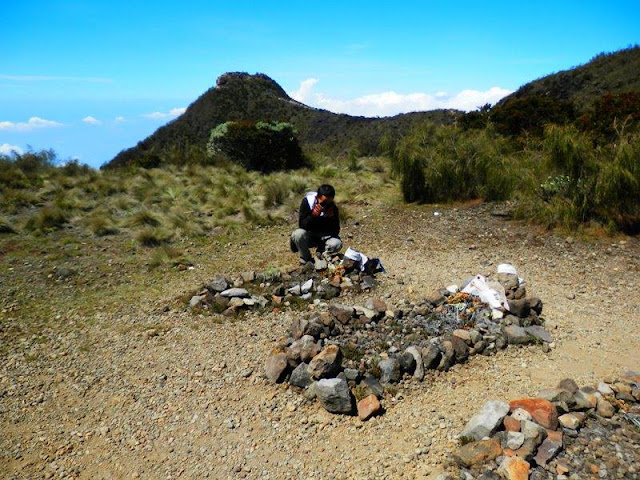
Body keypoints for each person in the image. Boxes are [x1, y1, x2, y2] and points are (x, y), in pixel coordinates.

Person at [290, 184, 342, 264]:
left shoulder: (333, 208)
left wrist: (330, 218)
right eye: (323, 203)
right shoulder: (307, 202)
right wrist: (313, 215)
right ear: (317, 197)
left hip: (324, 238)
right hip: (309, 235)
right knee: (298, 234)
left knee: (337, 243)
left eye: (328, 202)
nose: (325, 205)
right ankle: (306, 258)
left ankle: (322, 253)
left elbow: (335, 231)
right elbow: (302, 225)